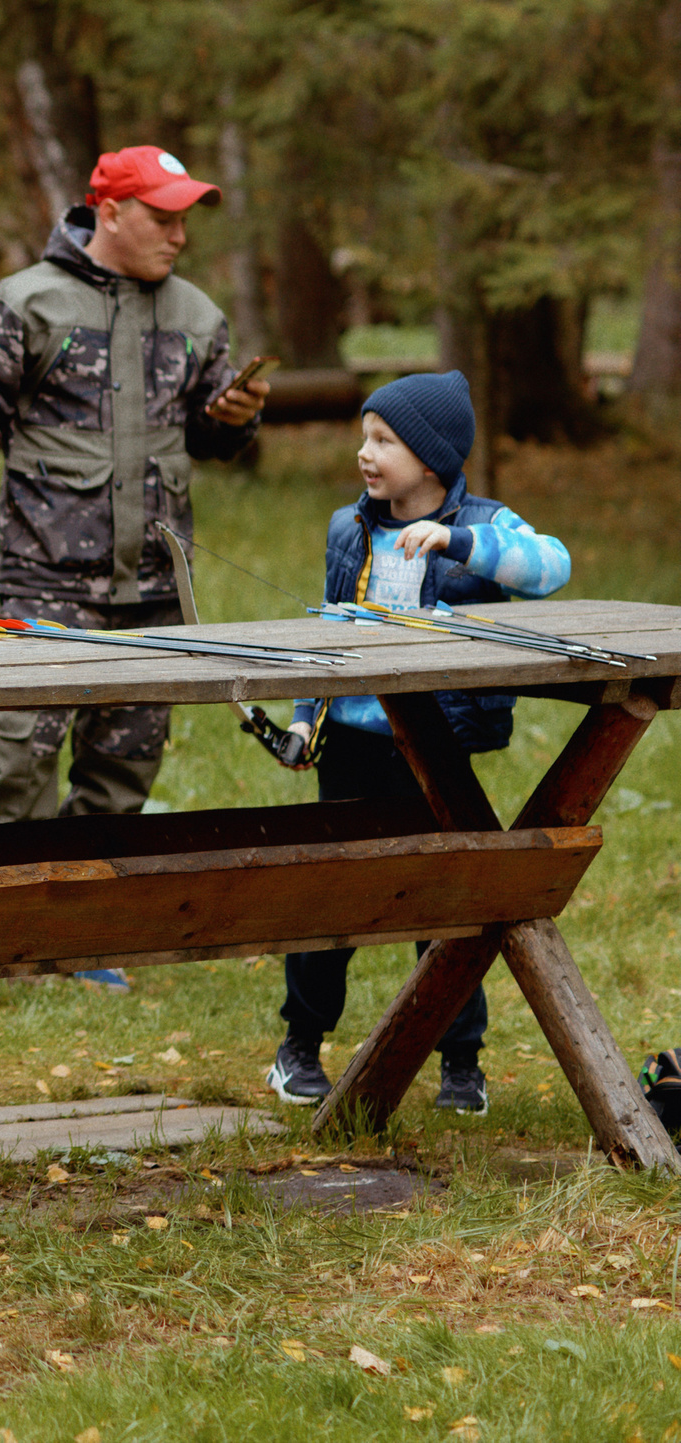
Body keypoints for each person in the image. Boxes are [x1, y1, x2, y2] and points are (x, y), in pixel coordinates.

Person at [0, 145, 271, 991]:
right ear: (108, 212)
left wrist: (236, 417)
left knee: (121, 771)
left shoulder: (197, 316)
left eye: (187, 217)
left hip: (154, 588)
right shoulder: (27, 304)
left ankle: (79, 940)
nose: (179, 235)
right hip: (48, 581)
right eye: (162, 216)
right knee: (15, 761)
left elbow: (215, 439)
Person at [263, 371, 568, 1115]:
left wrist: (462, 542)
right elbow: (328, 633)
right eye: (364, 437)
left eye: (383, 441)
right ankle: (300, 1045)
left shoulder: (485, 524)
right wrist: (306, 719)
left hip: (440, 745)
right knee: (337, 890)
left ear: (431, 459)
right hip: (357, 743)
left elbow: (550, 568)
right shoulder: (350, 528)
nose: (364, 453)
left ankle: (460, 1062)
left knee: (445, 901)